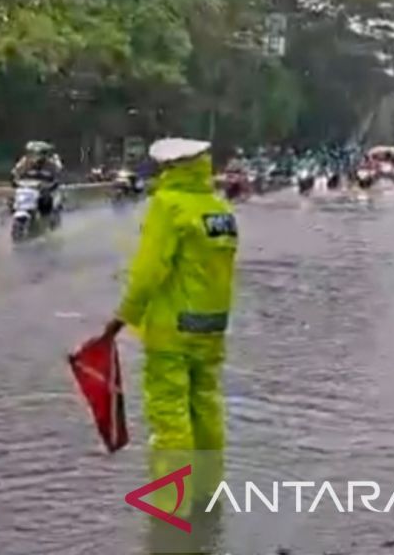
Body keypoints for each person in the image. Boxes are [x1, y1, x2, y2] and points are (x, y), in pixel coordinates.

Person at [88, 138, 238, 522]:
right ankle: (207, 492)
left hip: (173, 329)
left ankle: (170, 506)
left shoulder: (168, 206)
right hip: (213, 327)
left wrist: (119, 320)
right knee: (206, 407)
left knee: (170, 416)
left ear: (170, 168)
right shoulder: (219, 209)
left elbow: (148, 274)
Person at [12, 140, 63, 217]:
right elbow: (15, 173)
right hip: (29, 190)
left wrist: (51, 185)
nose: (36, 156)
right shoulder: (24, 162)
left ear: (45, 154)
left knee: (50, 203)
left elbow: (58, 177)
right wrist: (15, 181)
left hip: (46, 191)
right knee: (13, 200)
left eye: (40, 153)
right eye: (33, 153)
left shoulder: (52, 164)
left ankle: (48, 220)